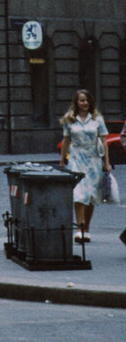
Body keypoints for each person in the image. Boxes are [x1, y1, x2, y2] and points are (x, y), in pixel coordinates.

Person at [60, 88, 112, 243]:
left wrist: (106, 163)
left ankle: (87, 229)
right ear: (76, 102)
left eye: (87, 100)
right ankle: (79, 228)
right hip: (76, 158)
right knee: (79, 193)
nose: (85, 103)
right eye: (82, 100)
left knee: (91, 196)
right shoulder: (69, 119)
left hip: (93, 159)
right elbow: (66, 141)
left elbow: (104, 142)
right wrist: (62, 160)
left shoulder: (97, 119)